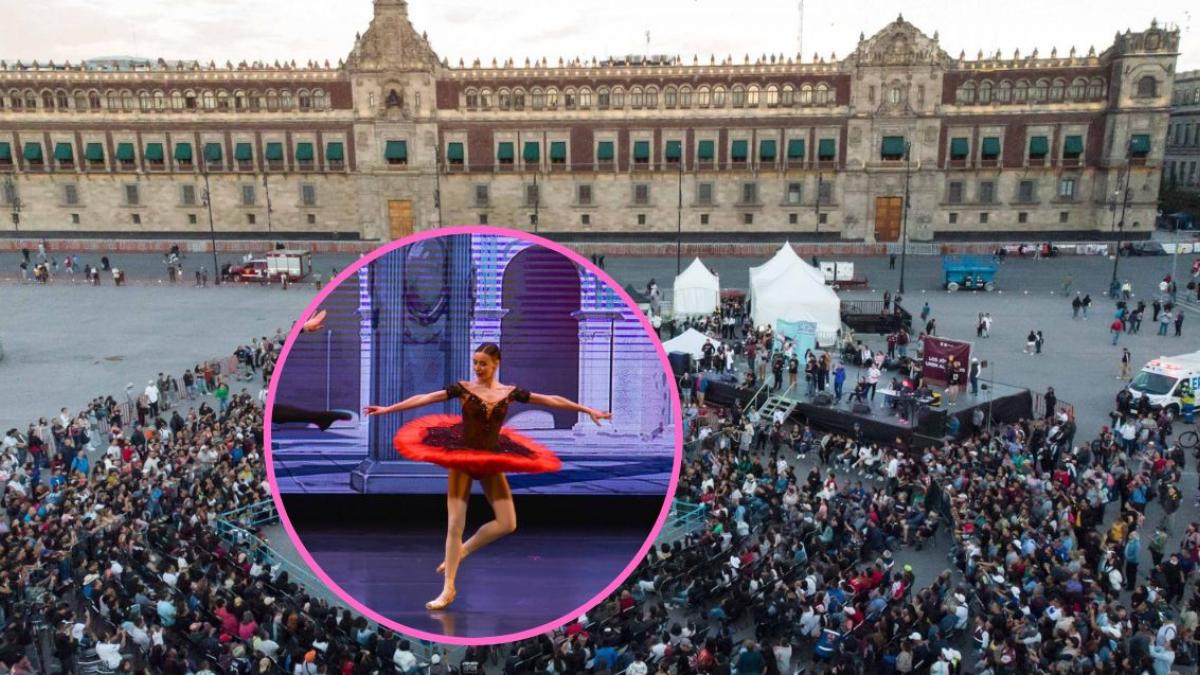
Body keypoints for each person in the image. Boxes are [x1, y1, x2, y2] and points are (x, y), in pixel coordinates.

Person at [365, 343, 611, 610]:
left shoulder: (510, 393)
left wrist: (587, 410)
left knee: (508, 523)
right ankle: (448, 588)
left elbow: (552, 399)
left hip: (491, 457)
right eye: (475, 363)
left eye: (483, 363)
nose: (477, 368)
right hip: (461, 457)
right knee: (455, 524)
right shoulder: (463, 389)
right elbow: (425, 398)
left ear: (496, 364)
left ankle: (461, 552)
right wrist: (388, 410)